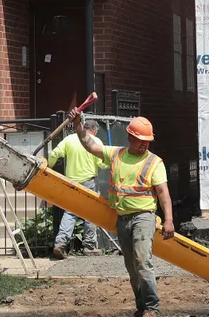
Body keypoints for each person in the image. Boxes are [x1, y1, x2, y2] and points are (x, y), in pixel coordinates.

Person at [73, 112, 174, 317]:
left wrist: (169, 220)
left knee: (142, 260)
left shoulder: (154, 163)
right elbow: (89, 144)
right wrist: (77, 125)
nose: (144, 145)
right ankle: (141, 306)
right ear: (130, 138)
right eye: (140, 141)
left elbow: (163, 193)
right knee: (131, 265)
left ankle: (152, 308)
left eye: (147, 141)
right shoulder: (116, 154)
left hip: (144, 216)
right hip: (122, 218)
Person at [47, 118, 109, 259]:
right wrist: (111, 161)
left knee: (70, 213)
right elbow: (102, 164)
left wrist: (49, 167)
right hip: (89, 183)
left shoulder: (69, 139)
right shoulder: (95, 141)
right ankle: (89, 246)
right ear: (94, 130)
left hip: (72, 183)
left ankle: (60, 244)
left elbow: (54, 154)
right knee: (91, 213)